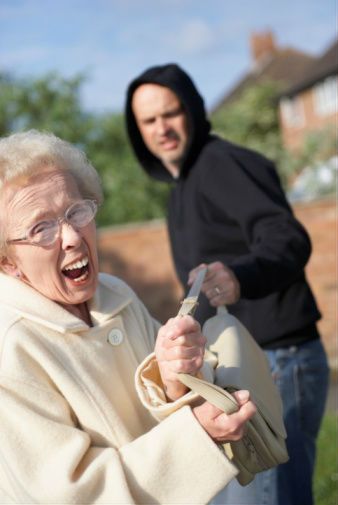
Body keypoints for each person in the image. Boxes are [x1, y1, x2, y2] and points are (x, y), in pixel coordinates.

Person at [0, 130, 257, 504]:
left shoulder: (115, 294)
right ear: (8, 262)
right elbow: (70, 492)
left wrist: (175, 379)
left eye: (76, 211)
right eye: (42, 227)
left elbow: (166, 402)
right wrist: (195, 436)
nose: (71, 236)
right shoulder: (10, 347)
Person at [125, 63, 330, 505]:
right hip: (244, 366)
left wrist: (241, 276)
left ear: (194, 110)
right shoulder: (183, 185)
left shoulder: (221, 164)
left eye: (171, 113)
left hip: (278, 361)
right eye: (149, 120)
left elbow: (288, 237)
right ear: (137, 128)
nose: (162, 128)